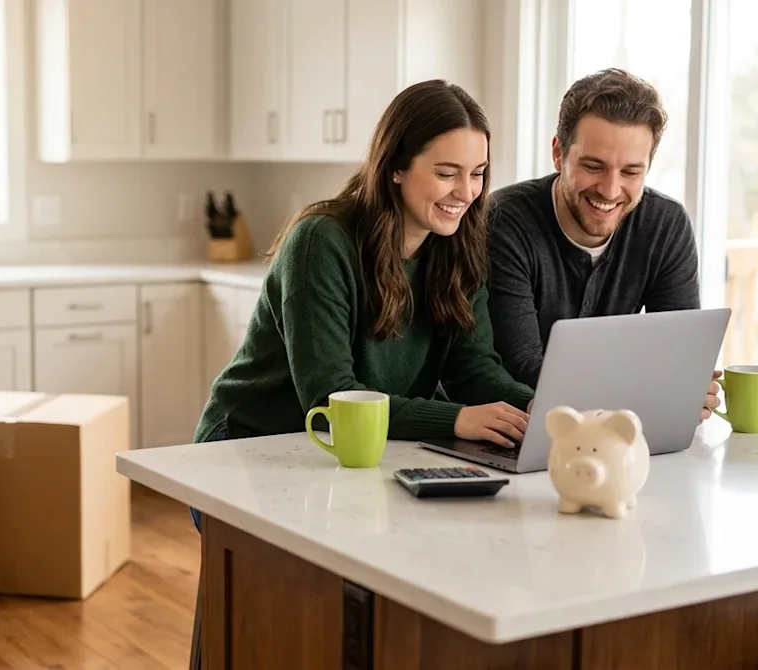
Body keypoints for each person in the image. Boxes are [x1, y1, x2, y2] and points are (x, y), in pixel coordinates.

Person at [185, 79, 533, 669]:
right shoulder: (321, 241)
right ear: (395, 165)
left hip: (353, 456)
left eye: (477, 174)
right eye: (447, 172)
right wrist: (460, 419)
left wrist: (556, 408)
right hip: (249, 450)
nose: (466, 193)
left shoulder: (458, 246)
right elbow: (332, 395)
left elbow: (477, 369)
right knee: (292, 612)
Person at [485, 67, 721, 420]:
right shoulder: (503, 220)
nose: (610, 191)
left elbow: (677, 357)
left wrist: (686, 387)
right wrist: (652, 390)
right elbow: (524, 367)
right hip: (519, 428)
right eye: (594, 166)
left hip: (617, 441)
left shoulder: (666, 225)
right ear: (558, 153)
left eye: (630, 172)